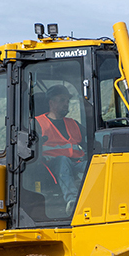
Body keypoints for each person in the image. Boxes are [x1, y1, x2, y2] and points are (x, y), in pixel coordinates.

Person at [35, 85, 86, 213]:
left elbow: (91, 142)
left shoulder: (73, 124)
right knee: (63, 161)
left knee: (92, 165)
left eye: (67, 101)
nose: (66, 104)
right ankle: (73, 201)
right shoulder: (38, 123)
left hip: (76, 163)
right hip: (51, 166)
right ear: (51, 103)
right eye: (62, 100)